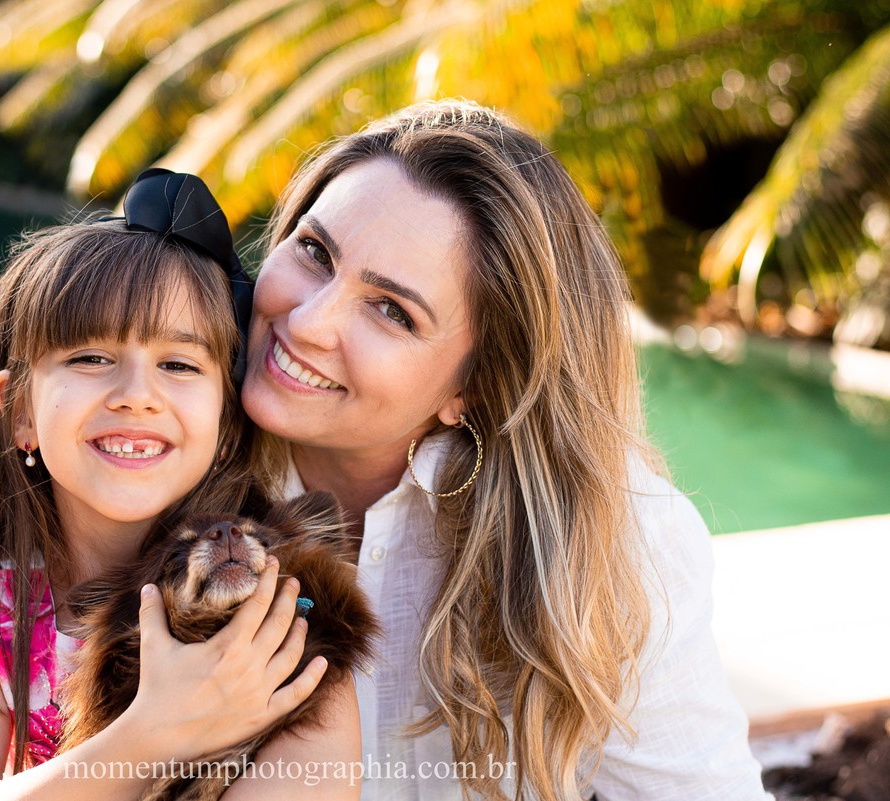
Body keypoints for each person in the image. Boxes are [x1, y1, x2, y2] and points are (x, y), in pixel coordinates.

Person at [240, 100, 771, 800]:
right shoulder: (154, 453)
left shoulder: (612, 540)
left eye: (392, 310)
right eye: (315, 252)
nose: (308, 321)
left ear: (475, 385)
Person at [0, 169, 360, 801]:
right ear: (22, 413)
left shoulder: (288, 617)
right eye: (90, 359)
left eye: (178, 364)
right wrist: (146, 737)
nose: (138, 396)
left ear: (226, 423)